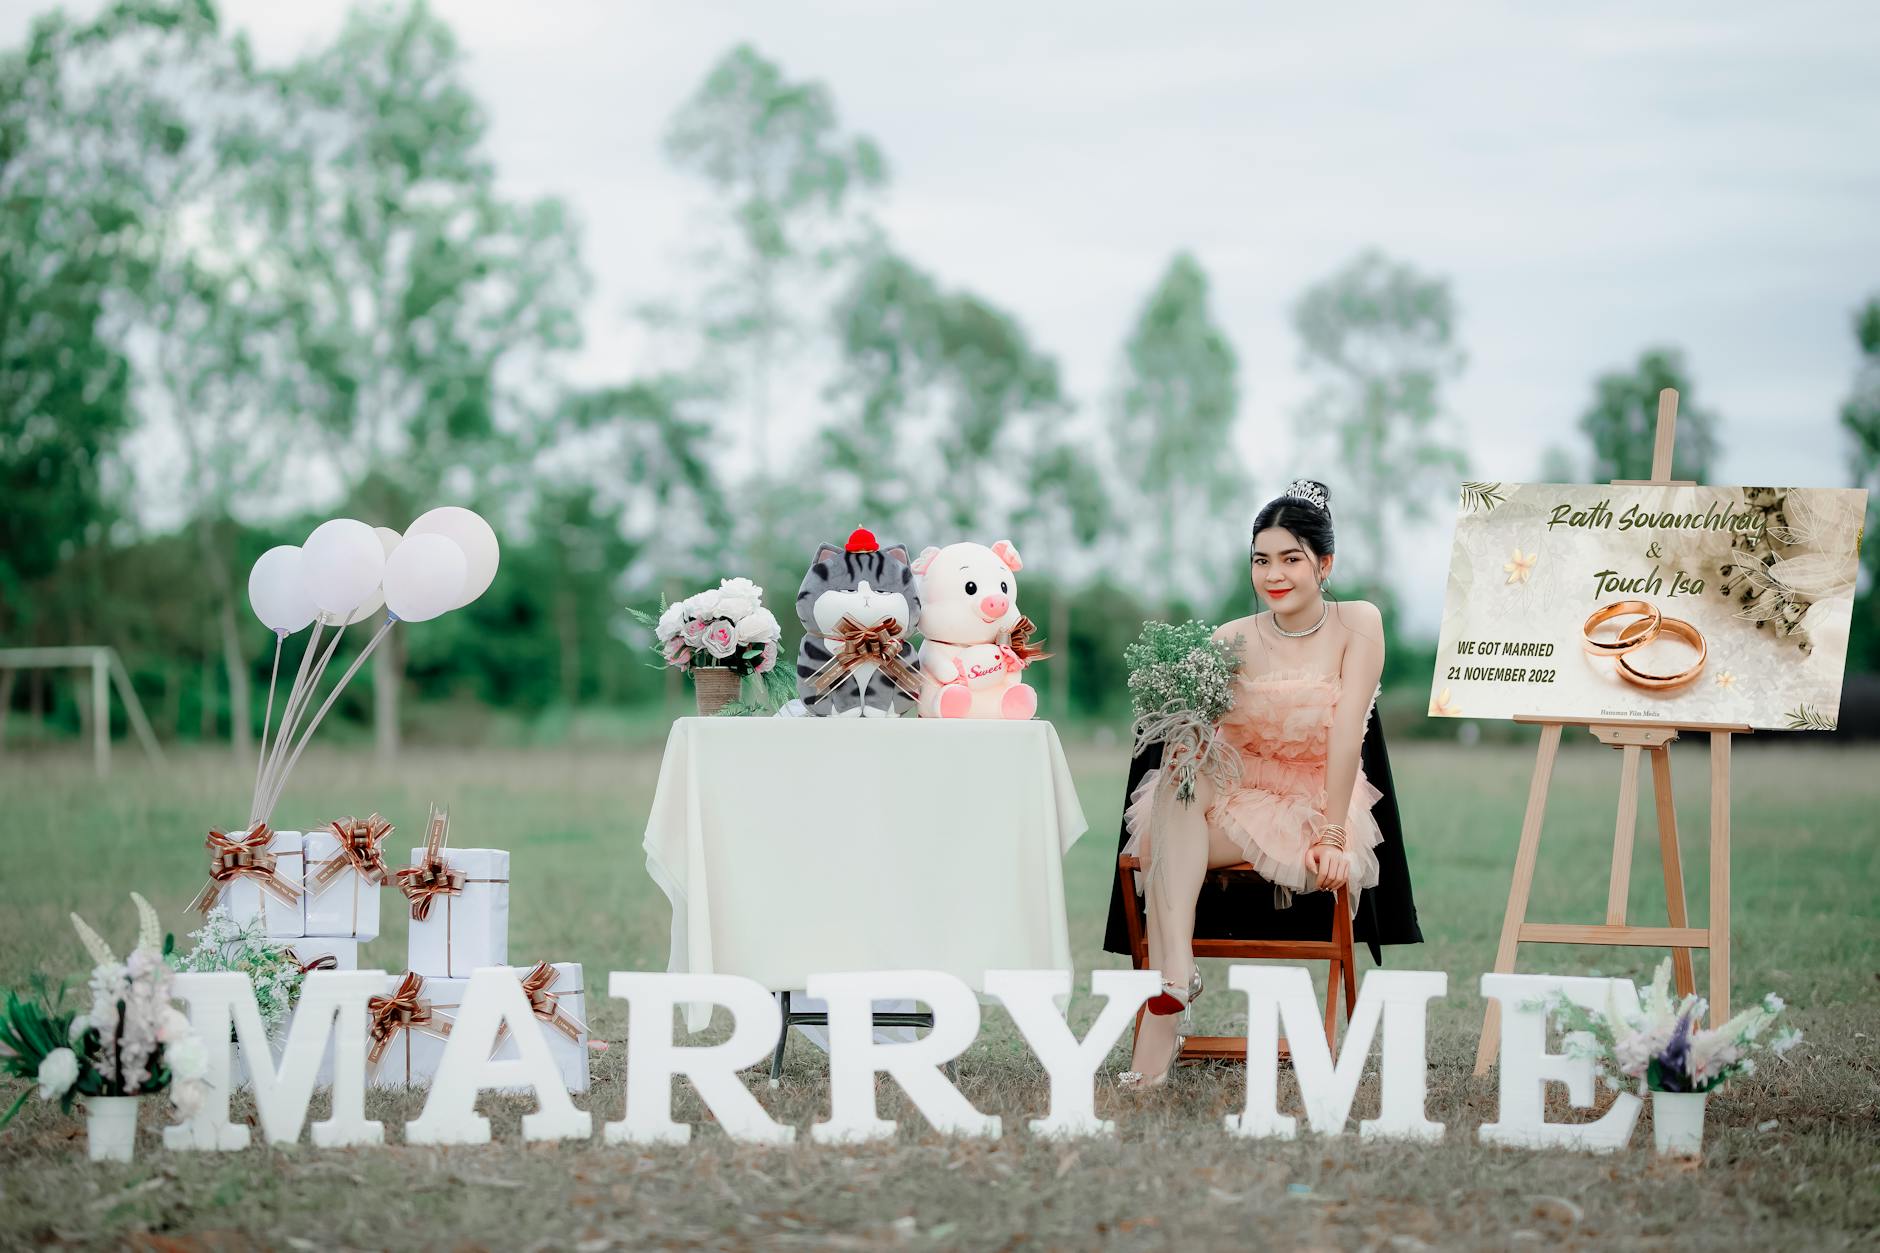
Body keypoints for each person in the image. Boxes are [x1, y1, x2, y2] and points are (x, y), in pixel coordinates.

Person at [1112, 479, 1418, 1089]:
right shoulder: (1230, 639)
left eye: (1290, 559)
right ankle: (1176, 979)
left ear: (1323, 564)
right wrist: (1185, 735)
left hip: (1313, 804)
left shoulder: (1358, 624)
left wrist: (1332, 834)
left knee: (1176, 824)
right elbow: (1201, 738)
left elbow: (1347, 733)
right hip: (1234, 797)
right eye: (1261, 559)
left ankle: (1169, 993)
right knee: (1176, 779)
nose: (1273, 574)